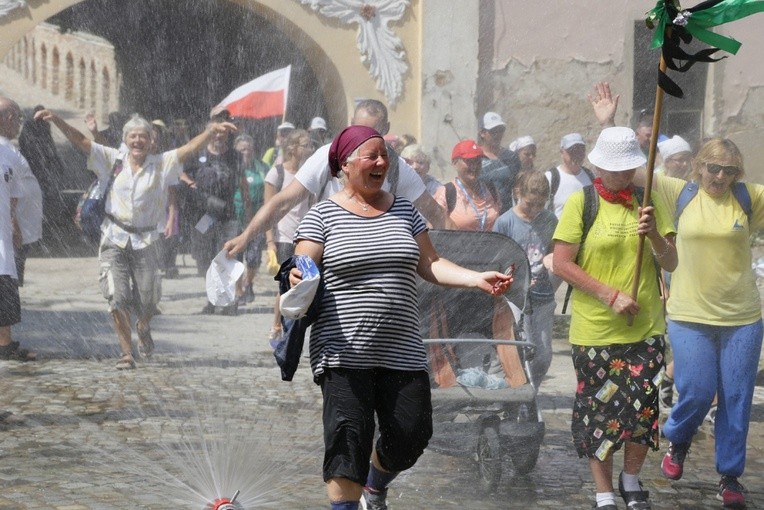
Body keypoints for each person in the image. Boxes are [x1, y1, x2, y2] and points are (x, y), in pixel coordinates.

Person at [290, 125, 512, 510]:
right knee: (349, 439)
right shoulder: (322, 215)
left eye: (384, 156)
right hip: (344, 351)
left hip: (402, 349)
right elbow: (303, 259)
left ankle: (375, 485)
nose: (381, 162)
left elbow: (432, 263)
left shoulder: (405, 211)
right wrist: (299, 272)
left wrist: (476, 278)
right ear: (344, 164)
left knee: (411, 433)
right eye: (371, 155)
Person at [35, 107, 237, 369]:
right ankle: (126, 353)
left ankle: (143, 327)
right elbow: (82, 142)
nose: (137, 141)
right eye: (133, 136)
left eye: (143, 136)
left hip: (147, 242)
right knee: (117, 297)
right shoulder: (113, 159)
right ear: (125, 139)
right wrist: (58, 121)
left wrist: (210, 131)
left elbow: (188, 149)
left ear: (151, 140)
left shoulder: (161, 163)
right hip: (114, 238)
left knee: (148, 300)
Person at [552, 127, 677, 510]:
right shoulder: (581, 202)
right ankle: (603, 491)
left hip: (646, 328)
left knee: (642, 409)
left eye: (628, 170)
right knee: (600, 413)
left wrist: (655, 235)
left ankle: (630, 476)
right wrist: (610, 295)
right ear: (599, 167)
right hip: (596, 331)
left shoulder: (649, 200)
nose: (622, 177)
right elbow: (561, 263)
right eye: (614, 170)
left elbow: (671, 261)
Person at [653, 138, 764, 510]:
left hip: (742, 317)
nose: (720, 176)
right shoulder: (677, 192)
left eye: (729, 170)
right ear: (699, 166)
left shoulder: (748, 198)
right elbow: (632, 172)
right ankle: (679, 438)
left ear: (738, 174)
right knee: (697, 390)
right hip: (689, 315)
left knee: (736, 398)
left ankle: (730, 475)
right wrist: (608, 124)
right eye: (713, 168)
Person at [223, 99, 448, 257]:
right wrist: (246, 237)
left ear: (386, 129)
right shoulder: (327, 156)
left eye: (373, 133)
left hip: (379, 266)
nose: (363, 140)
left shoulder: (397, 167)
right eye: (359, 130)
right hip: (332, 261)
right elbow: (283, 202)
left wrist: (454, 253)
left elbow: (436, 213)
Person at [493, 171, 557, 383]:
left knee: (544, 354)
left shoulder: (549, 220)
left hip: (543, 295)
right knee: (521, 350)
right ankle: (520, 397)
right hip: (515, 298)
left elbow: (555, 250)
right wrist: (516, 279)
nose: (535, 210)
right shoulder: (505, 222)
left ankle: (532, 393)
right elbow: (496, 261)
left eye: (541, 204)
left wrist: (552, 258)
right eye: (530, 204)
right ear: (518, 193)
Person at [183, 110, 249, 315]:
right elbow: (179, 169)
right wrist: (191, 183)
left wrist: (247, 216)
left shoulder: (235, 157)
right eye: (215, 131)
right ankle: (212, 300)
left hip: (227, 214)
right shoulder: (198, 153)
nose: (219, 136)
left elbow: (242, 184)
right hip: (203, 215)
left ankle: (229, 300)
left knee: (228, 256)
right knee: (204, 257)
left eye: (223, 132)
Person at [264, 129, 314, 342]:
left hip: (304, 238)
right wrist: (270, 242)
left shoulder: (310, 174)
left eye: (311, 145)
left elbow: (313, 205)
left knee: (303, 284)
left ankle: (293, 327)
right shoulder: (277, 173)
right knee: (285, 285)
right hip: (283, 237)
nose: (310, 149)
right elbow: (267, 210)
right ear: (293, 148)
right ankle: (277, 326)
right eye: (306, 145)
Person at [0, 96, 36, 362]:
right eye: (19, 120)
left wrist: (13, 226)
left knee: (4, 284)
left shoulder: (11, 154)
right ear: (10, 119)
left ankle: (5, 344)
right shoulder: (11, 154)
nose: (19, 126)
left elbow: (12, 196)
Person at [434, 139, 501, 231]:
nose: (474, 166)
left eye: (478, 161)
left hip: (490, 244)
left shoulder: (491, 189)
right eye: (469, 161)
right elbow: (433, 228)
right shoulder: (446, 193)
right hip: (458, 245)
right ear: (454, 163)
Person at [232, 134, 268, 305]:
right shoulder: (232, 168)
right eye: (242, 150)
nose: (246, 152)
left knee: (253, 256)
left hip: (256, 217)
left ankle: (248, 283)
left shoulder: (262, 167)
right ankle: (238, 289)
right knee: (237, 255)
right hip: (235, 216)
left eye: (249, 149)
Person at [477, 111, 521, 214]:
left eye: (500, 130)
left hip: (507, 213)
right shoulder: (475, 158)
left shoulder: (511, 157)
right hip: (483, 215)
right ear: (482, 133)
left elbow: (519, 185)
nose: (498, 134)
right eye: (493, 131)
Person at [545, 133, 595, 218]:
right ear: (562, 152)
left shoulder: (589, 176)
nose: (577, 155)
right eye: (572, 151)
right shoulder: (551, 177)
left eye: (581, 151)